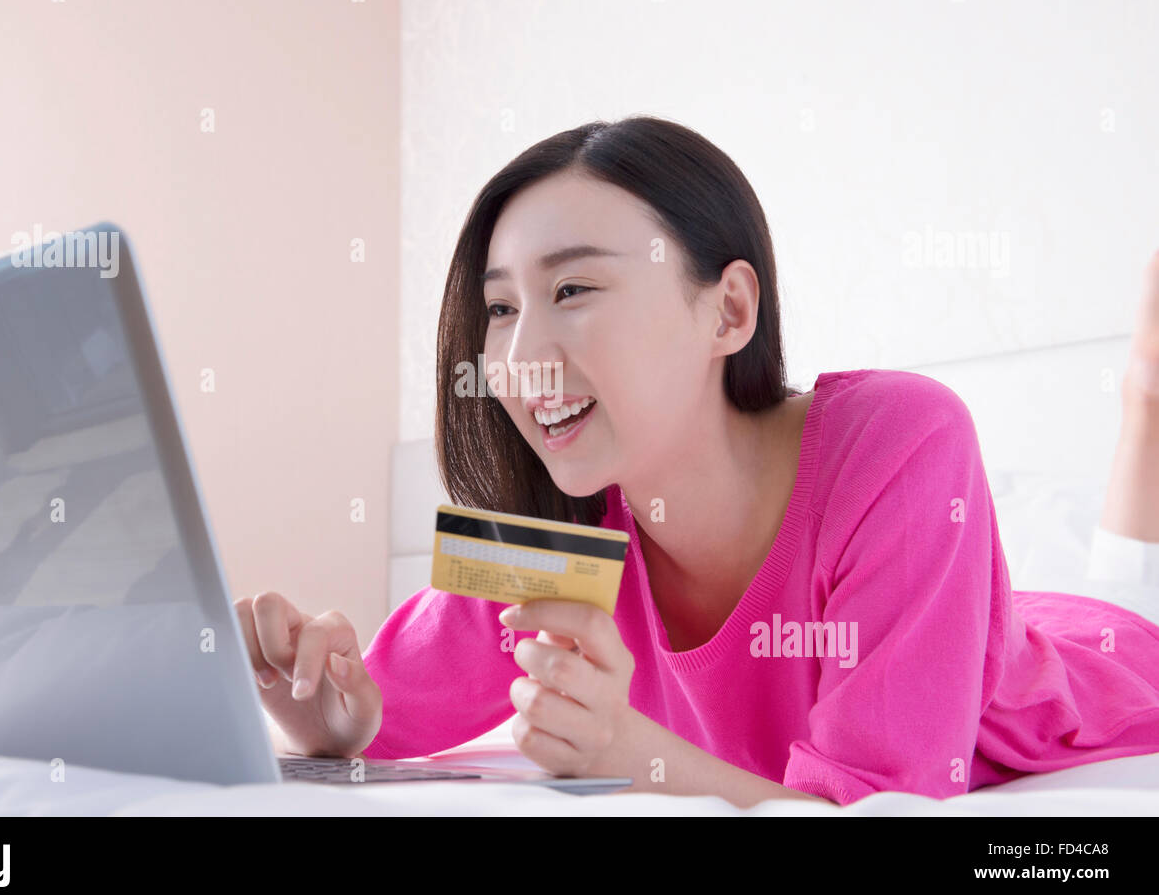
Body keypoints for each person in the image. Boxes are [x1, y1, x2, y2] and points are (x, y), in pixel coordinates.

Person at [234, 115, 1159, 808]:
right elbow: (379, 716)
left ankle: (1145, 394)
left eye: (573, 288)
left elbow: (888, 805)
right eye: (504, 308)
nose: (515, 360)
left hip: (1093, 667)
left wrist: (634, 753)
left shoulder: (903, 440)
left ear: (727, 311)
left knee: (1128, 581)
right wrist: (323, 710)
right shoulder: (553, 530)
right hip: (959, 606)